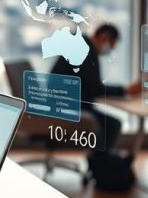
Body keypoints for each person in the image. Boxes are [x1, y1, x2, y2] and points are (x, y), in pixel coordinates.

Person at [50, 23, 141, 152]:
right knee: (113, 125)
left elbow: (91, 87)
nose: (110, 50)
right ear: (104, 37)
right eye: (111, 45)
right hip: (69, 108)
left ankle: (99, 161)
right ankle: (99, 165)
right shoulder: (86, 51)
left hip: (61, 104)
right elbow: (95, 89)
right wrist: (126, 90)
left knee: (109, 123)